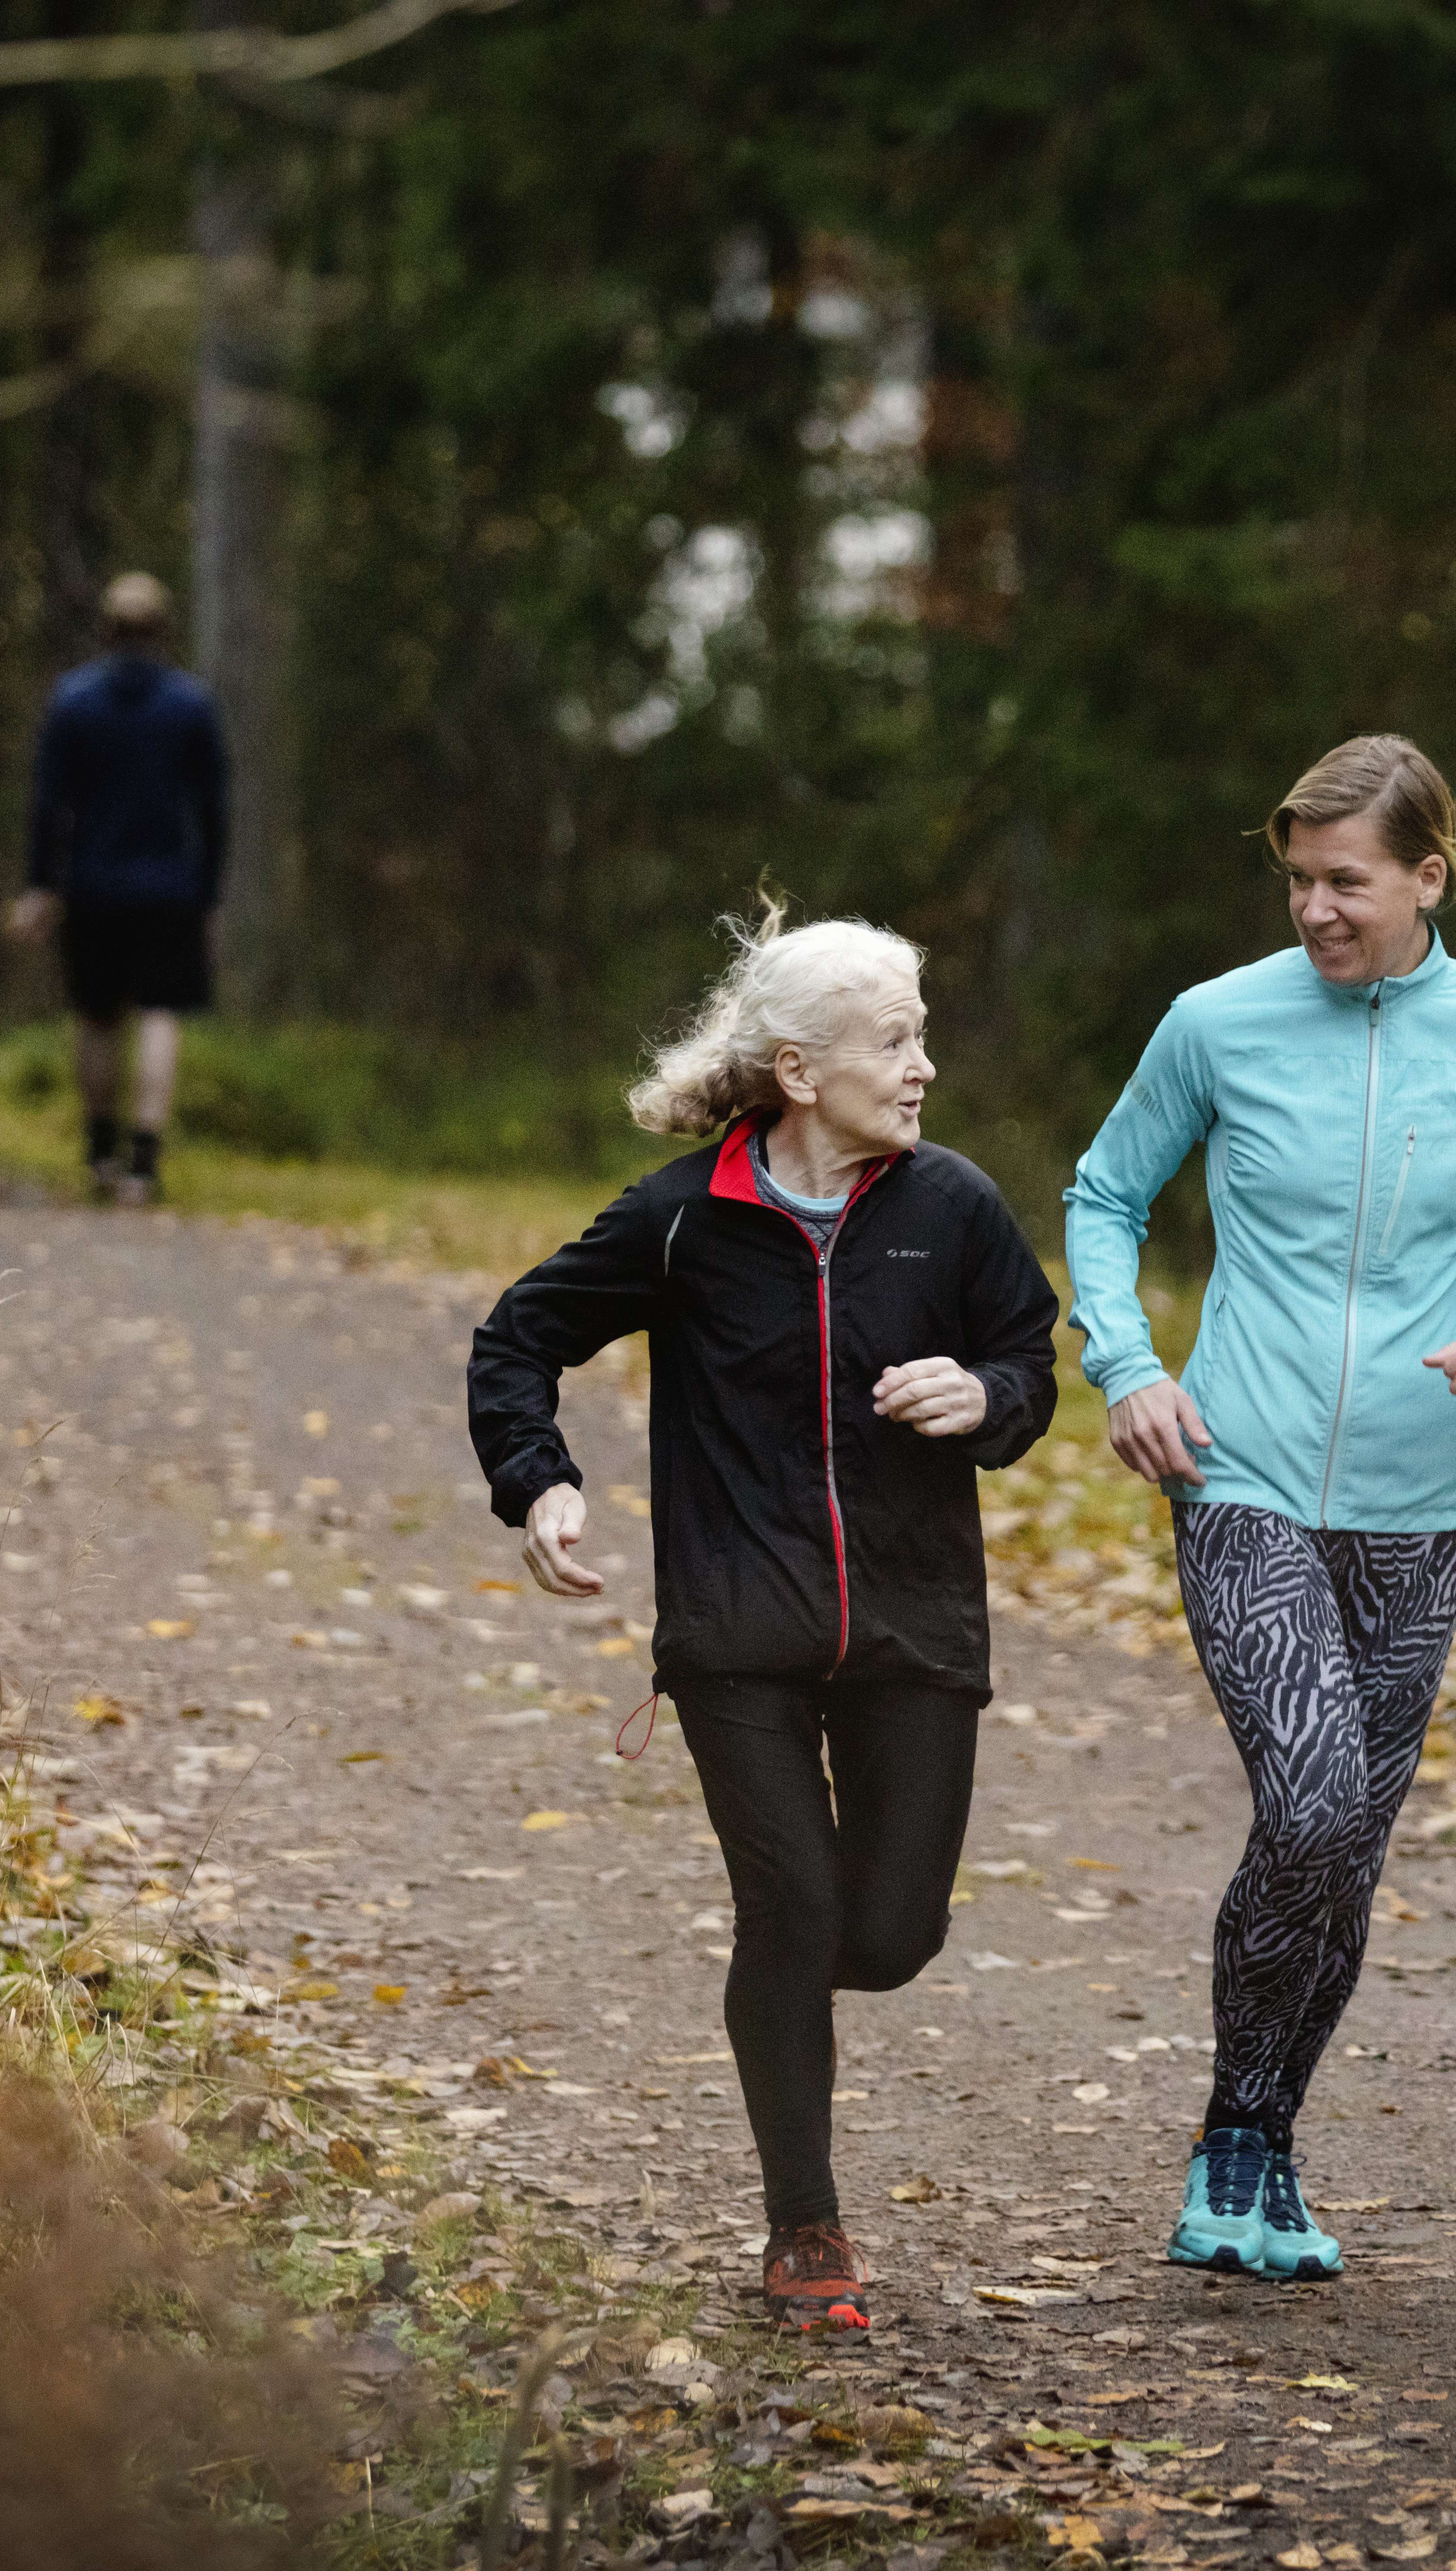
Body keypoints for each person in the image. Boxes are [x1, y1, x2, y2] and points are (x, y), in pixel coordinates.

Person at [1063, 735, 1456, 2283]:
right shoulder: (1215, 1023)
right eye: (1295, 880)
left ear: (1426, 878)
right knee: (1310, 1804)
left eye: (1344, 882)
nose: (1312, 910)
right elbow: (1102, 1196)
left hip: (1417, 1505)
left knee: (1347, 1854)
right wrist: (1125, 1364)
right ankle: (1234, 2136)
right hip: (1231, 1469)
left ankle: (1263, 2141)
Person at [466, 908, 1060, 2334]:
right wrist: (538, 1484)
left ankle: (782, 1985)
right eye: (895, 1040)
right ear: (798, 1069)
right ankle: (807, 2230)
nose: (924, 1067)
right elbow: (518, 1339)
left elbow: (1029, 1359)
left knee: (892, 1933)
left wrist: (985, 1401)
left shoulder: (952, 1208)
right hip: (737, 1637)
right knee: (791, 1906)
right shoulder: (684, 1218)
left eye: (924, 1033)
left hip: (915, 1629)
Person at [8, 572, 228, 1206]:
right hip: (169, 889)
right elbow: (213, 808)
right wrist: (210, 890)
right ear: (163, 630)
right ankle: (145, 1160)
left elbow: (49, 805)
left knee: (97, 1018)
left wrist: (40, 885)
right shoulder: (191, 705)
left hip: (94, 886)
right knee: (159, 1017)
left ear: (106, 630)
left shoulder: (74, 701)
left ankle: (100, 1150)